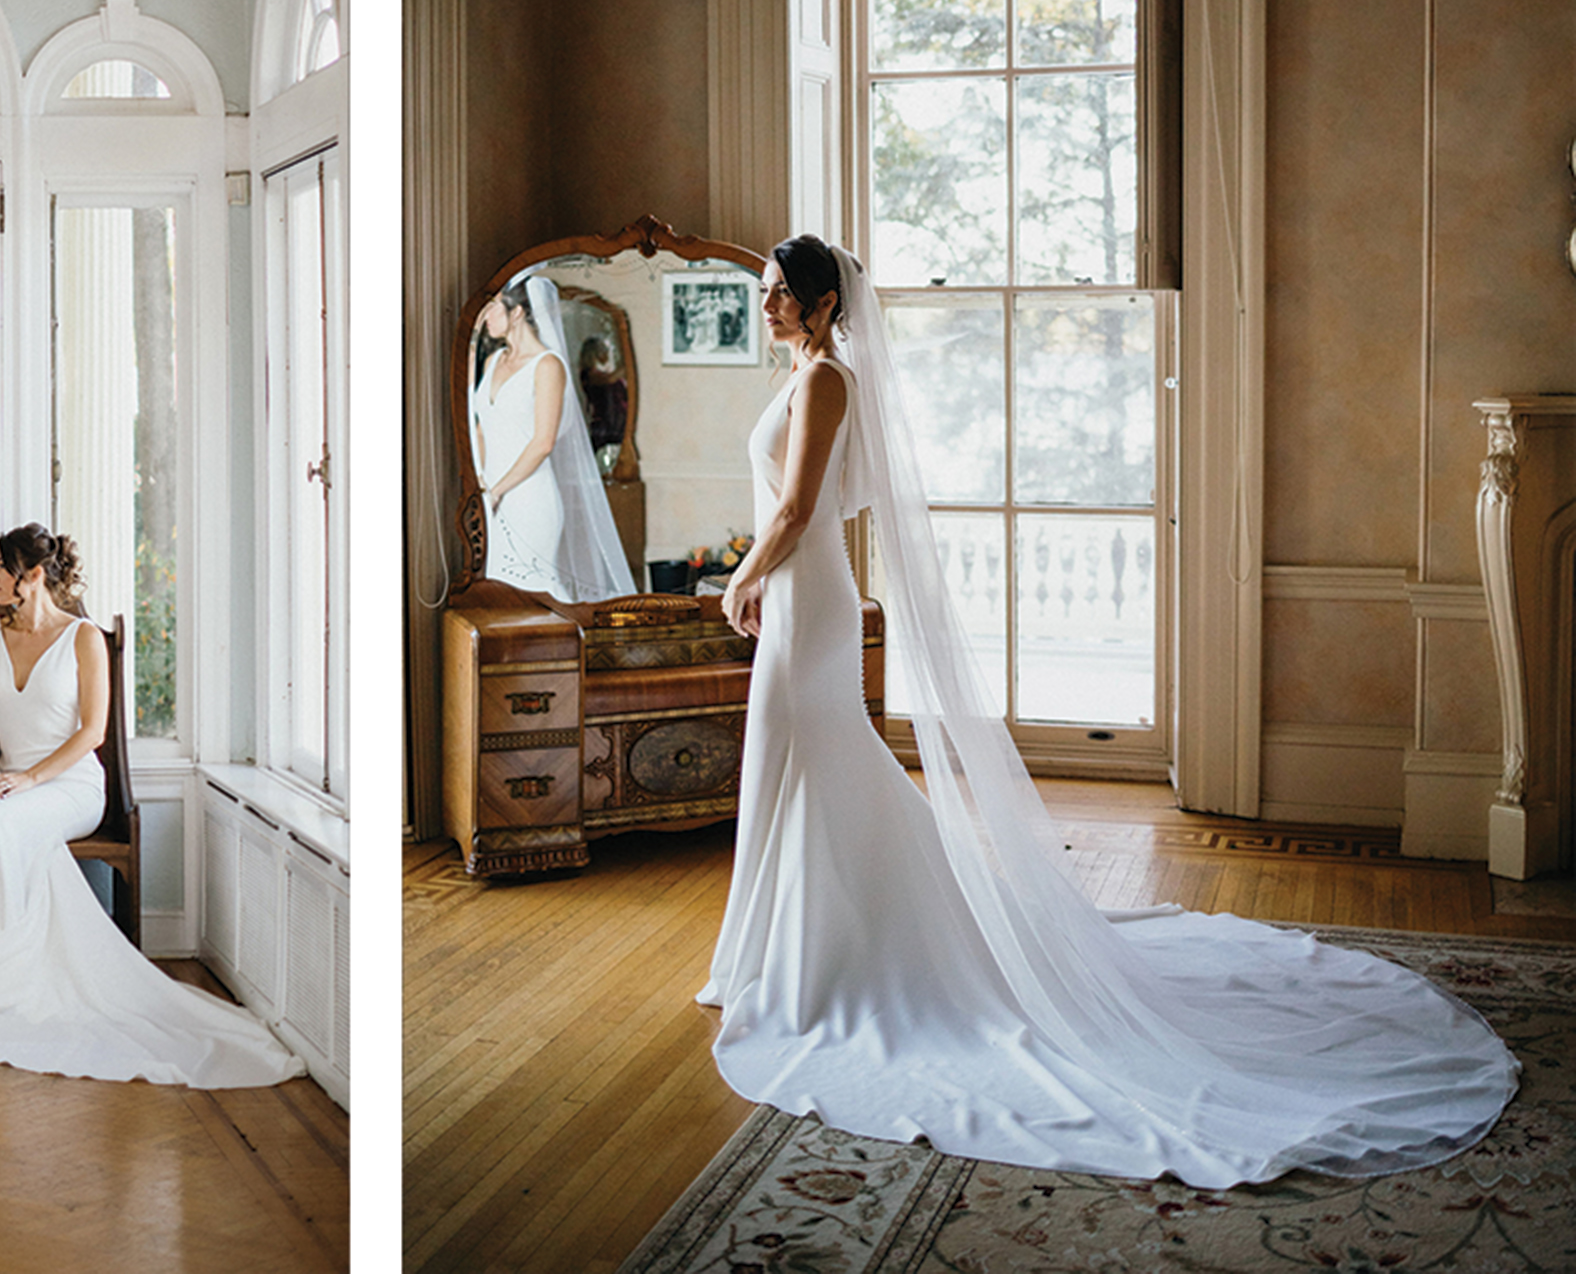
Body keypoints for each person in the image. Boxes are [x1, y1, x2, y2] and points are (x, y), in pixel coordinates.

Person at [700, 235, 1516, 1186]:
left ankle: (852, 958)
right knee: (803, 768)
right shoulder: (804, 372)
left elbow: (799, 510)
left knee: (824, 763)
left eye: (779, 293)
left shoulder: (827, 380)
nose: (765, 306)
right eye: (764, 291)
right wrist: (762, 573)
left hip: (811, 600)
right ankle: (779, 950)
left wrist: (737, 578)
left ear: (824, 302)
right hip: (798, 596)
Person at [0, 525, 305, 1087]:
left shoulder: (83, 639)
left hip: (72, 785)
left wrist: (30, 779)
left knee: (2, 828)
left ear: (30, 576)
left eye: (0, 568)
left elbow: (93, 732)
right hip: (6, 779)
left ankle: (8, 989)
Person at [470, 273, 634, 603]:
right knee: (496, 594)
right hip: (490, 494)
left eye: (492, 309)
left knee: (536, 594)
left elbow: (543, 442)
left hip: (529, 497)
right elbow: (481, 429)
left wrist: (498, 489)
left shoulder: (548, 366)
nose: (485, 316)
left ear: (516, 313)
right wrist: (481, 485)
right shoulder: (491, 361)